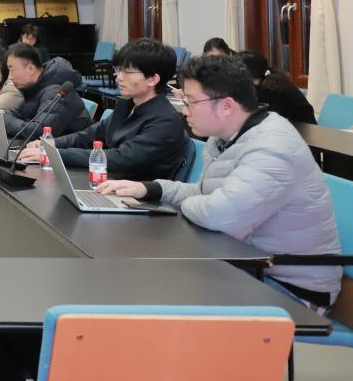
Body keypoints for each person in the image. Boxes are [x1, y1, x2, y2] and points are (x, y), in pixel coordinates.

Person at [98, 55, 341, 311]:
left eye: (190, 101)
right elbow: (204, 194)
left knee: (155, 292)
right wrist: (151, 188)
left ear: (226, 106)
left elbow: (219, 215)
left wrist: (187, 205)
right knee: (141, 276)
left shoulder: (273, 148)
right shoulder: (225, 136)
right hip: (243, 264)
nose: (184, 110)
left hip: (291, 288)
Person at [17, 38, 188, 180]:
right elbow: (89, 135)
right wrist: (50, 144)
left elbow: (121, 159)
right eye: (119, 70)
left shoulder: (165, 120)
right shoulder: (126, 105)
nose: (118, 77)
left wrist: (55, 154)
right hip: (109, 182)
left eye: (127, 72)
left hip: (139, 198)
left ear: (152, 79)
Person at [3, 43, 89, 138]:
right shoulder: (36, 86)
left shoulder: (55, 92)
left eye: (12, 70)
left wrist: (6, 120)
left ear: (30, 69)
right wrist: (3, 115)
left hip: (70, 146)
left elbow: (39, 132)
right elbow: (20, 112)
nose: (10, 77)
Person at [238, 51, 315, 127]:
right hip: (288, 128)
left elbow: (273, 122)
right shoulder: (262, 83)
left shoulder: (273, 88)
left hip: (303, 130)